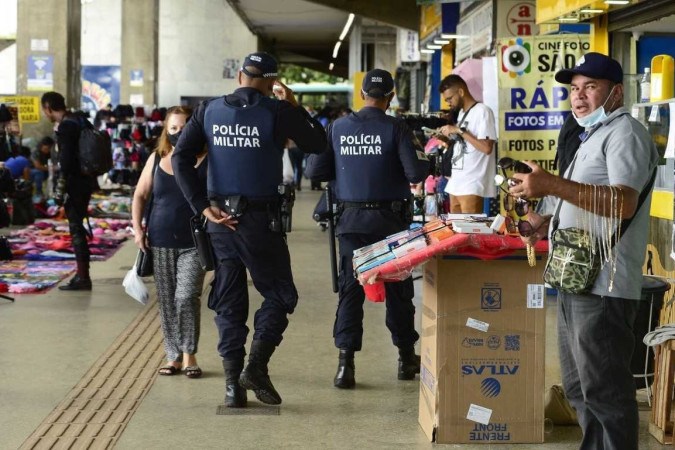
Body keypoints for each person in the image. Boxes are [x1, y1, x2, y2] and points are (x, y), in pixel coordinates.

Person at [510, 52, 659, 450]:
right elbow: (583, 199)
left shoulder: (625, 134)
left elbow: (623, 202)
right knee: (579, 389)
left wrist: (552, 185)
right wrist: (542, 220)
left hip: (605, 285)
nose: (579, 97)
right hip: (575, 277)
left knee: (605, 392)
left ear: (616, 92)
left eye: (590, 87)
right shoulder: (592, 135)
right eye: (574, 89)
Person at [172, 51, 326, 408]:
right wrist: (295, 104)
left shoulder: (209, 111)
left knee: (229, 299)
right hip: (260, 222)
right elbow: (317, 144)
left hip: (220, 222)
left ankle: (232, 387)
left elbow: (180, 158)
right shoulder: (278, 111)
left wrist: (201, 205)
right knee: (279, 293)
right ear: (274, 81)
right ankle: (255, 366)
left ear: (240, 75)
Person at [306, 68, 430, 389]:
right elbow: (416, 172)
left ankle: (345, 366)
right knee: (398, 290)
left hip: (351, 223)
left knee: (350, 290)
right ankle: (405, 359)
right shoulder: (396, 127)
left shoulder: (337, 128)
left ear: (361, 95)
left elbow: (315, 169)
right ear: (390, 97)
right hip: (390, 224)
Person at [132, 106, 207, 379]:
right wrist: (137, 229)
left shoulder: (208, 160)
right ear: (166, 130)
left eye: (183, 127)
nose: (177, 133)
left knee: (186, 296)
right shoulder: (156, 159)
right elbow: (140, 195)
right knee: (166, 301)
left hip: (194, 241)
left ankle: (190, 354)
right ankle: (173, 356)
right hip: (159, 239)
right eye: (172, 128)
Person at [41, 91, 97, 291]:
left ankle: (83, 277)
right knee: (78, 227)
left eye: (44, 110)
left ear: (48, 107)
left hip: (73, 184)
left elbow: (65, 161)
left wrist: (59, 189)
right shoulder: (81, 120)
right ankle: (83, 275)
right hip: (86, 181)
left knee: (75, 229)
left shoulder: (66, 126)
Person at [437, 74, 497, 213]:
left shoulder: (483, 111)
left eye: (450, 98)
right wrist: (447, 138)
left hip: (472, 182)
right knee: (457, 231)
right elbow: (466, 142)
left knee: (469, 231)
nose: (448, 103)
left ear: (461, 92)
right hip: (456, 180)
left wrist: (459, 130)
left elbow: (487, 147)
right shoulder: (462, 113)